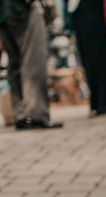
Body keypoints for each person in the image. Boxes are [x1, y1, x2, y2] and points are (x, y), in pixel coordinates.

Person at [0, 0, 62, 129]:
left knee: (15, 62)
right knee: (33, 59)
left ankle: (20, 113)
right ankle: (35, 114)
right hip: (23, 9)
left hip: (4, 13)